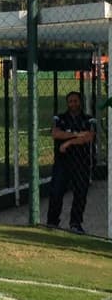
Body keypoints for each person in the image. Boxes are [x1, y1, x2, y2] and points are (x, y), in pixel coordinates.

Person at [46, 91, 96, 234]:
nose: (73, 104)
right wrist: (76, 134)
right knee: (56, 192)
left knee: (80, 194)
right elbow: (56, 133)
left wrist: (68, 143)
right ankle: (52, 222)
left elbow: (88, 137)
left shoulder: (88, 119)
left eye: (76, 101)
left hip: (82, 162)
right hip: (62, 162)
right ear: (67, 103)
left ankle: (75, 224)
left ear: (80, 102)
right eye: (70, 101)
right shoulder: (60, 118)